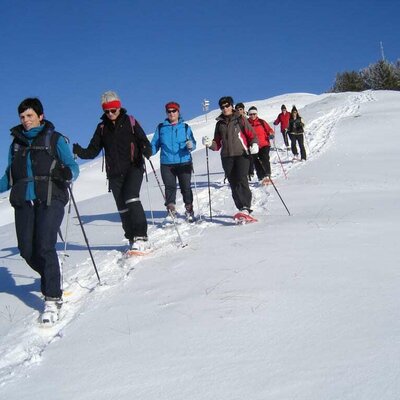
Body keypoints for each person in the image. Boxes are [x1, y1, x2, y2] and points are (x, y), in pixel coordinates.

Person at [0, 98, 79, 324]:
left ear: (40, 116)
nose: (25, 121)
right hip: (24, 199)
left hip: (50, 197)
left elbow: (72, 167)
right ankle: (52, 272)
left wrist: (67, 173)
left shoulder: (54, 139)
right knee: (26, 250)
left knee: (45, 245)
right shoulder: (16, 144)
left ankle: (53, 299)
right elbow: (10, 177)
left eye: (30, 116)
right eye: (22, 117)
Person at [73, 91, 152, 252]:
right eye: (106, 111)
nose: (110, 114)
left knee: (131, 197)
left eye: (113, 110)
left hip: (134, 167)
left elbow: (144, 141)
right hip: (114, 172)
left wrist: (146, 149)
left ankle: (141, 237)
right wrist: (79, 151)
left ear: (119, 107)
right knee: (122, 207)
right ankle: (131, 238)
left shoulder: (131, 122)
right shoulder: (102, 128)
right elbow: (93, 150)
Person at [202, 96, 258, 216]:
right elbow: (217, 144)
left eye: (227, 106)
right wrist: (209, 144)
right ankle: (241, 208)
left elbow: (251, 134)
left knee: (242, 179)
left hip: (242, 154)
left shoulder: (240, 119)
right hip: (227, 157)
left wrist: (254, 144)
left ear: (232, 106)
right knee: (233, 183)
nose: (225, 108)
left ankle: (246, 207)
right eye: (222, 107)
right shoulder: (219, 124)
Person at [151, 101, 197, 222]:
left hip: (184, 161)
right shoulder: (161, 127)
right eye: (169, 111)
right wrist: (148, 152)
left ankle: (189, 209)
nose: (171, 113)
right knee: (169, 187)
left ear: (178, 112)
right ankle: (171, 211)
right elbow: (155, 144)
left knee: (185, 187)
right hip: (167, 163)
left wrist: (190, 145)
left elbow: (193, 143)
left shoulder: (185, 127)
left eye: (174, 111)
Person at [247, 106, 274, 185]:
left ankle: (267, 175)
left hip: (264, 144)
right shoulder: (247, 123)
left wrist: (271, 134)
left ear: (256, 114)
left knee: (265, 158)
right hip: (253, 145)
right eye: (251, 114)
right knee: (256, 161)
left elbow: (269, 130)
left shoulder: (262, 122)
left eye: (254, 114)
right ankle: (261, 177)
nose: (252, 116)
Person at [235, 102, 255, 181]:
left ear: (243, 110)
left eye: (240, 109)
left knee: (250, 157)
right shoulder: (235, 119)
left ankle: (250, 172)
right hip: (240, 141)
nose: (239, 111)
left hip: (248, 140)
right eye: (237, 109)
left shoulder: (247, 119)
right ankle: (245, 173)